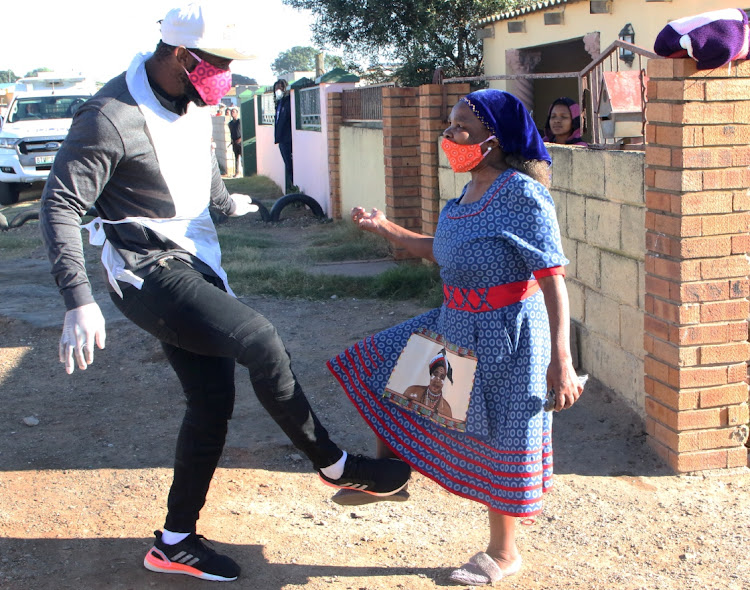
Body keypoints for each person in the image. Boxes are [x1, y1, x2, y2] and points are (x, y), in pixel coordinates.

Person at [39, 2, 410, 583]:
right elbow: (60, 202)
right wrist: (77, 299)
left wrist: (234, 205)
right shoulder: (109, 115)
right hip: (145, 269)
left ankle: (174, 540)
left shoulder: (193, 102)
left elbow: (209, 194)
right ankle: (333, 464)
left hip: (192, 262)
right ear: (182, 56)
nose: (227, 78)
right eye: (218, 64)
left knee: (212, 400)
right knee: (259, 339)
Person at [327, 89, 584, 585]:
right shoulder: (463, 195)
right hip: (458, 324)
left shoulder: (521, 194)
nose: (450, 134)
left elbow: (553, 277)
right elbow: (443, 250)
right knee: (390, 377)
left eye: (462, 126)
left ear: (494, 138)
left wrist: (562, 359)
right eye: (449, 123)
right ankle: (389, 478)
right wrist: (384, 227)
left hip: (510, 339)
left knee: (504, 439)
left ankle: (504, 553)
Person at [403, 351, 453, 418]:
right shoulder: (411, 392)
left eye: (442, 377)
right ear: (430, 374)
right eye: (435, 374)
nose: (437, 379)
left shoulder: (446, 410)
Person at [273, 79, 293, 193]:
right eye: (276, 88)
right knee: (287, 164)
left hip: (288, 139)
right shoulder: (279, 104)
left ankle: (293, 187)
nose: (278, 90)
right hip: (281, 140)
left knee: (291, 166)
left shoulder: (288, 101)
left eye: (280, 88)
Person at [228, 106, 242, 177]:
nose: (232, 113)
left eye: (233, 112)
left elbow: (243, 131)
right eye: (231, 112)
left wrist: (241, 139)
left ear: (237, 113)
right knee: (236, 158)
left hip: (240, 142)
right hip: (234, 142)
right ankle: (237, 173)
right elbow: (231, 133)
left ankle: (244, 172)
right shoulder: (230, 123)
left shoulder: (240, 122)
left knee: (243, 157)